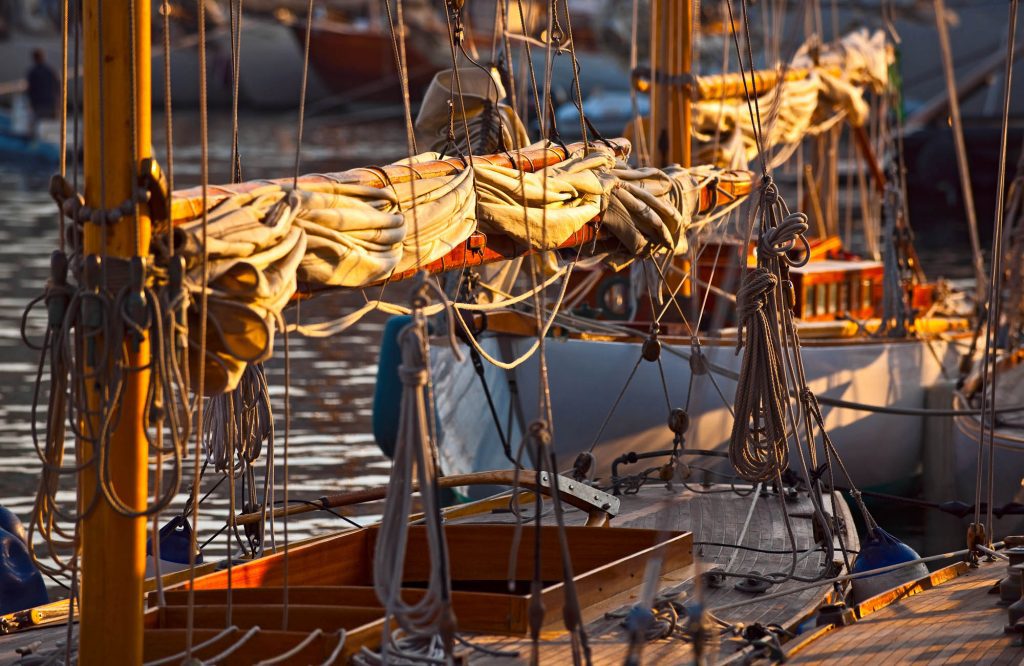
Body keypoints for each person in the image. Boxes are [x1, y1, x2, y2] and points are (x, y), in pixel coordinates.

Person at [26, 49, 58, 122]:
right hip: (50, 104)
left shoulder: (32, 73)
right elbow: (57, 88)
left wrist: (31, 104)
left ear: (34, 58)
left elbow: (30, 90)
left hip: (38, 105)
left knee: (40, 126)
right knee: (51, 126)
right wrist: (57, 104)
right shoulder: (50, 71)